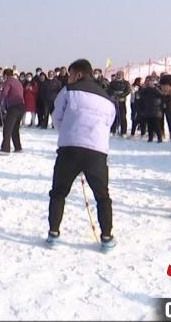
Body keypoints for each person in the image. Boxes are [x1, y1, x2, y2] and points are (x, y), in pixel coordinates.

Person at [45, 59, 116, 251]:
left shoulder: (69, 91)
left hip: (70, 148)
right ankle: (107, 237)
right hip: (97, 151)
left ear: (78, 74)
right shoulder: (107, 99)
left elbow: (56, 116)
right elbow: (109, 123)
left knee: (59, 192)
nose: (68, 78)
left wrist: (68, 132)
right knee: (102, 196)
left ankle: (53, 233)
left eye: (70, 74)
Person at [0, 68, 25, 154]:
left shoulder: (8, 81)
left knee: (7, 128)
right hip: (22, 106)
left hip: (14, 107)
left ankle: (5, 149)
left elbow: (5, 92)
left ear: (5, 75)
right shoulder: (18, 82)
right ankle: (18, 147)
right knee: (15, 128)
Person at [108, 70, 131, 137]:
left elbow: (128, 91)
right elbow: (109, 90)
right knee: (114, 116)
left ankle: (123, 131)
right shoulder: (112, 83)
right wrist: (113, 94)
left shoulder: (126, 83)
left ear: (123, 76)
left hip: (121, 101)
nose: (118, 76)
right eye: (118, 75)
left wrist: (121, 95)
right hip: (114, 100)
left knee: (122, 116)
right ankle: (113, 130)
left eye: (120, 75)